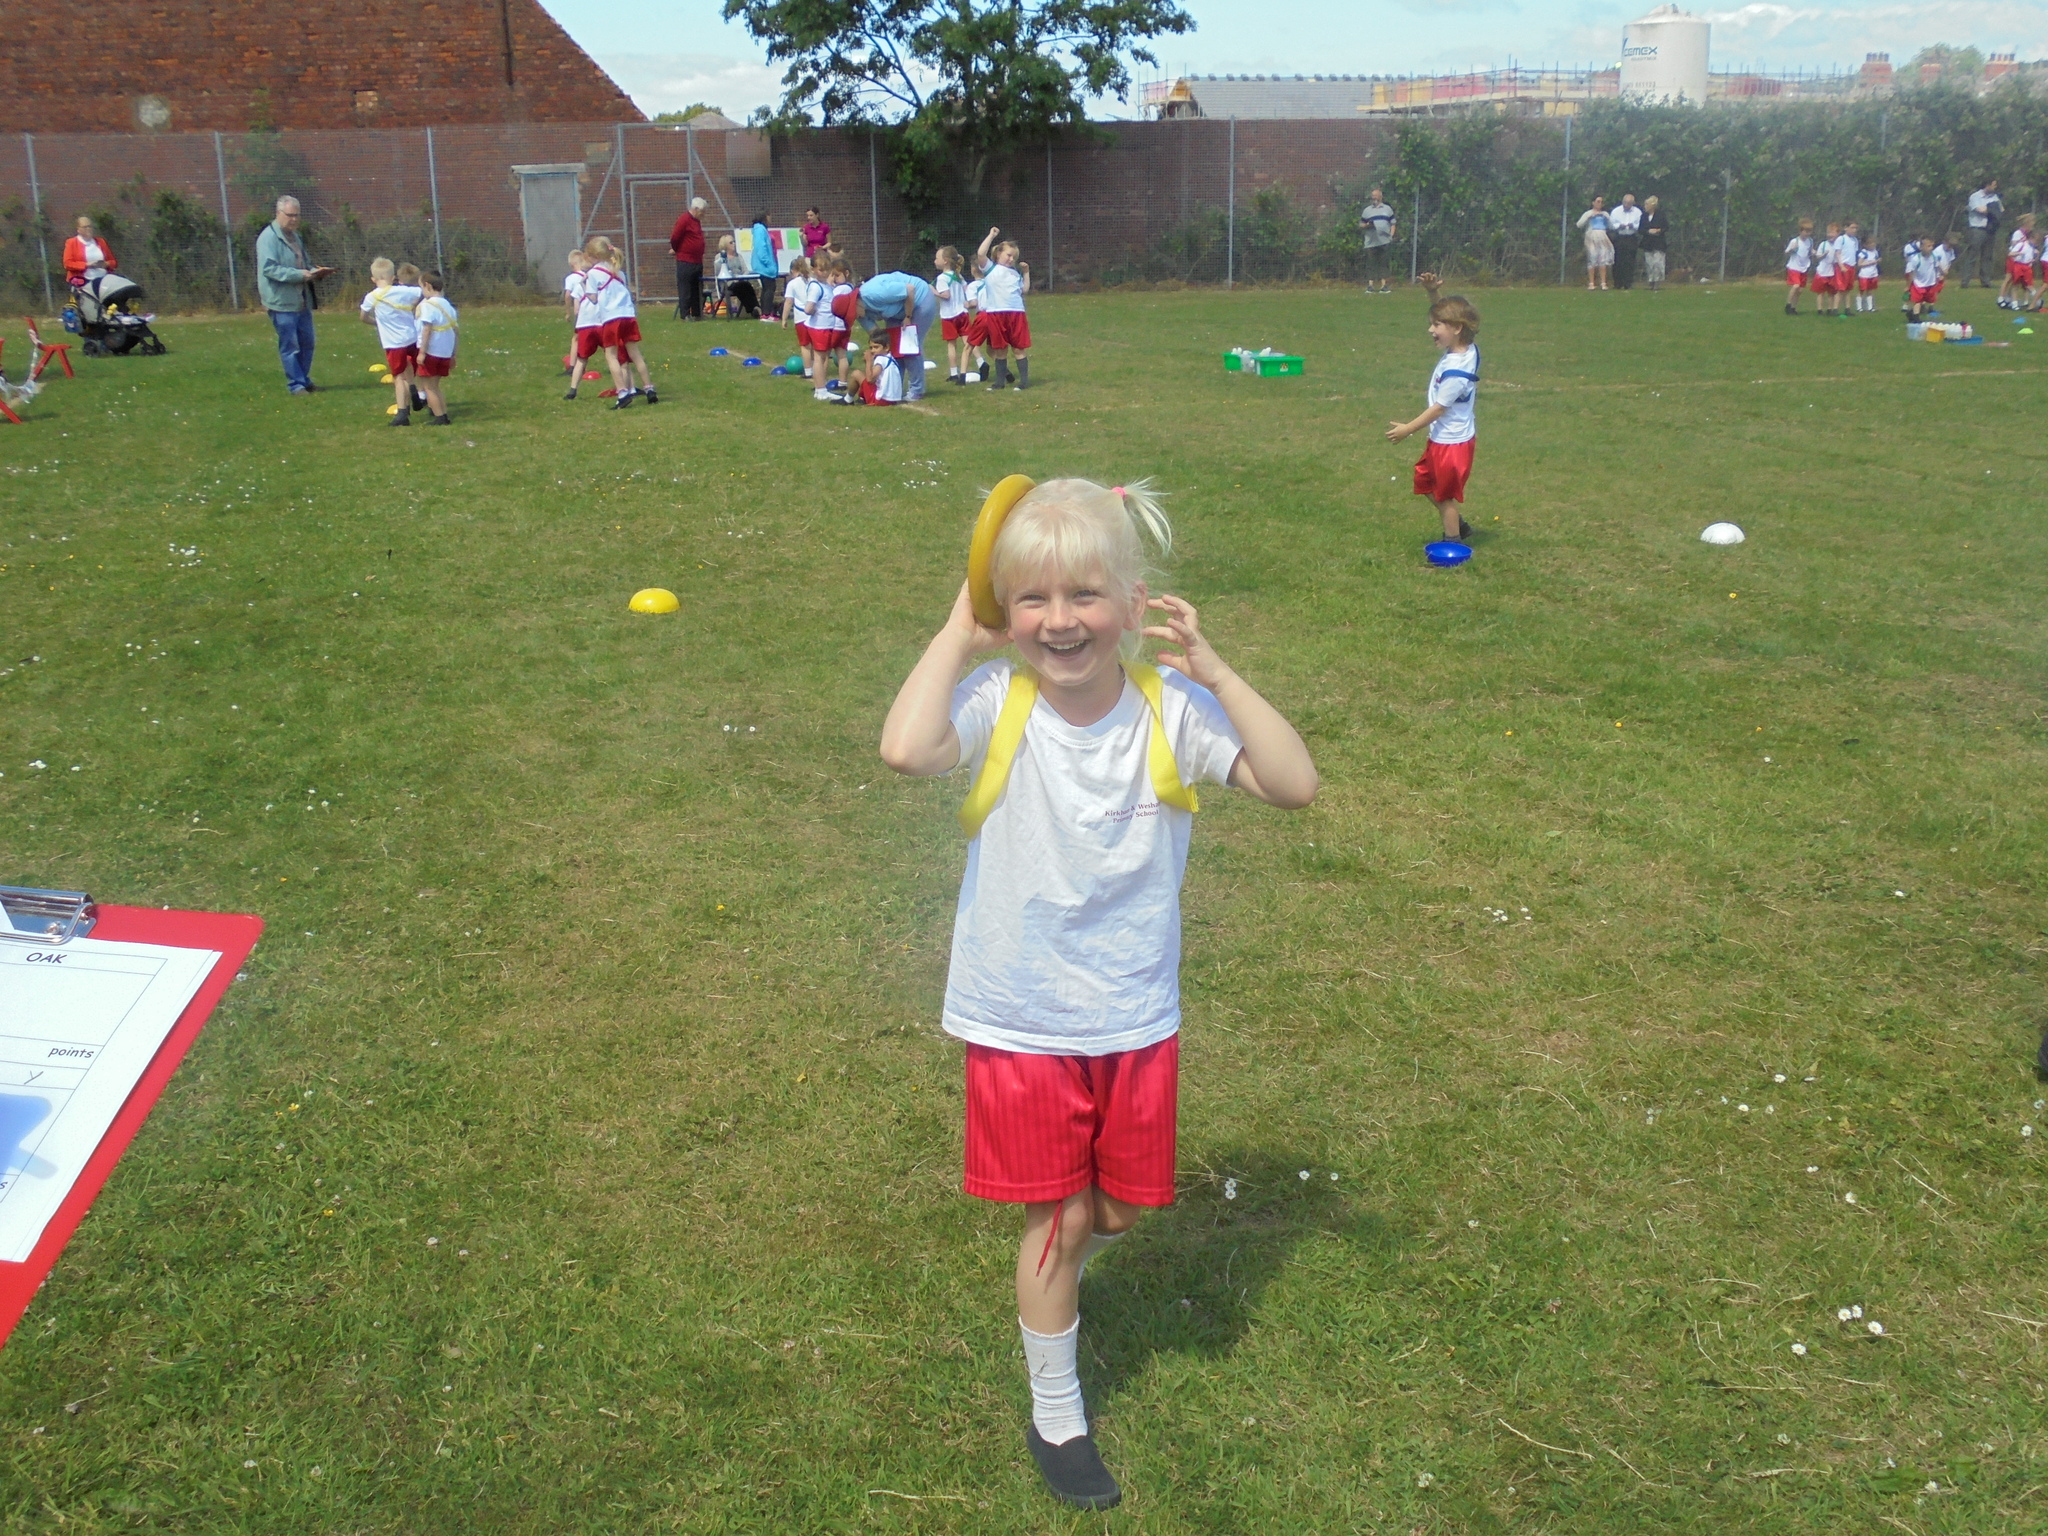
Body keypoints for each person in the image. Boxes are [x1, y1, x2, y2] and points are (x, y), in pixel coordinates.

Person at [876, 479, 1317, 1511]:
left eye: (1082, 596)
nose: (1058, 621)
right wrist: (957, 633)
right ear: (1000, 609)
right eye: (1028, 600)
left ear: (1129, 600)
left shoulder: (1172, 710)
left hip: (1131, 1014)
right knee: (1055, 1223)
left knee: (1114, 1209)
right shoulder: (997, 703)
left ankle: (1070, 1271)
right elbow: (904, 749)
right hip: (1020, 1014)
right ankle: (1057, 1406)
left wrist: (1214, 670)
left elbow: (1293, 783)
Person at [1386, 274, 1480, 544]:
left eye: (1436, 325)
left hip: (1452, 444)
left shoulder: (1456, 373)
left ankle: (1452, 543)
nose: (1431, 330)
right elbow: (1451, 318)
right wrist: (1432, 294)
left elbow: (1438, 409)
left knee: (1444, 496)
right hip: (1441, 439)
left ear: (1457, 329)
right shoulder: (1465, 347)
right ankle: (1458, 525)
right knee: (1425, 482)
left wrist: (1407, 429)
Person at [255, 195, 335, 395]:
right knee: (290, 345)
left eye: (297, 215)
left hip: (302, 300)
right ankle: (296, 385)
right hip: (281, 301)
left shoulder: (296, 236)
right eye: (289, 215)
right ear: (278, 214)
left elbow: (303, 263)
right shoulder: (268, 238)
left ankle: (304, 380)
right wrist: (299, 275)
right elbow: (269, 269)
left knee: (307, 342)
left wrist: (315, 271)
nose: (294, 219)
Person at [583, 237, 657, 408]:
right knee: (635, 354)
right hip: (628, 316)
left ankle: (622, 392)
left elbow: (593, 298)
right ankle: (649, 388)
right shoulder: (619, 272)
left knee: (611, 355)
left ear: (594, 256)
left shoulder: (593, 274)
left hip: (611, 318)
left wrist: (585, 289)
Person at [857, 268, 940, 401]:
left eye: (852, 313)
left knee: (910, 347)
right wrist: (875, 354)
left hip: (920, 300)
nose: (855, 317)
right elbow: (879, 338)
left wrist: (908, 316)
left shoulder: (872, 293)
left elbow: (909, 289)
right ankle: (895, 388)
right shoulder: (861, 315)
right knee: (894, 348)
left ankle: (917, 390)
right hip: (896, 313)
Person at [358, 256, 423, 426]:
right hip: (412, 338)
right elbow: (422, 293)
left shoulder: (372, 296)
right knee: (409, 367)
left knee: (398, 376)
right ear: (393, 277)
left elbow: (363, 316)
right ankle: (414, 390)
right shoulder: (403, 291)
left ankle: (402, 413)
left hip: (394, 344)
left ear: (373, 279)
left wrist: (375, 322)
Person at [974, 226, 1031, 389]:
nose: (1011, 259)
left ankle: (1024, 382)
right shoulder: (990, 269)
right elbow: (980, 254)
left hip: (1016, 313)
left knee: (1019, 348)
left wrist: (1026, 273)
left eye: (1014, 257)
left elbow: (1024, 290)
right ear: (999, 254)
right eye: (1008, 255)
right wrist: (991, 235)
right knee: (1000, 349)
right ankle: (1000, 382)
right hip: (996, 313)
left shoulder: (1015, 274)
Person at [412, 271, 458, 425]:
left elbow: (426, 329)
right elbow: (455, 332)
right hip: (445, 352)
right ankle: (443, 413)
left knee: (429, 387)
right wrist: (453, 355)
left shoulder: (427, 306)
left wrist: (422, 352)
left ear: (428, 286)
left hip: (431, 352)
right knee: (436, 386)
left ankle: (440, 418)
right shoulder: (448, 306)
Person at [562, 250, 602, 398]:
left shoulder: (579, 284)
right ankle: (624, 388)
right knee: (612, 355)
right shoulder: (599, 281)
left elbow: (575, 303)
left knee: (582, 358)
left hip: (585, 323)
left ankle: (573, 390)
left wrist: (573, 315)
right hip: (600, 321)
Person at [780, 255, 820, 382]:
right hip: (814, 316)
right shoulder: (814, 281)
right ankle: (816, 368)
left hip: (801, 318)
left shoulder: (792, 284)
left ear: (794, 270)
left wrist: (784, 319)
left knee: (805, 345)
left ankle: (808, 371)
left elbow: (788, 302)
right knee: (814, 345)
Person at [935, 246, 970, 384]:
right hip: (962, 312)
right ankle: (979, 363)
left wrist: (934, 292)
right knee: (968, 343)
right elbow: (966, 288)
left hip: (949, 315)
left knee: (951, 344)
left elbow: (946, 295)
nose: (934, 261)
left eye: (937, 258)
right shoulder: (958, 275)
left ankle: (954, 373)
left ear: (944, 261)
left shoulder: (942, 278)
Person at [669, 196, 707, 320]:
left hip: (697, 260)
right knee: (685, 288)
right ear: (695, 209)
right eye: (702, 211)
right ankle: (685, 314)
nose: (703, 214)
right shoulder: (684, 219)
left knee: (697, 289)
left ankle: (697, 313)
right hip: (685, 260)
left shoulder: (697, 221)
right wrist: (677, 249)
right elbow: (675, 237)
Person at [1963, 178, 2002, 287]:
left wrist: (1991, 210)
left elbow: (2000, 210)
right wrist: (1991, 209)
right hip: (1977, 229)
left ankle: (1986, 281)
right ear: (1987, 185)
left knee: (1987, 256)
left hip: (1990, 229)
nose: (1995, 187)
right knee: (1972, 255)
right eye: (1993, 185)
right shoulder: (1975, 196)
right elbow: (1981, 210)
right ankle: (1965, 281)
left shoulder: (1995, 197)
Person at [1358, 187, 1396, 294]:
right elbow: (1361, 224)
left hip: (1384, 241)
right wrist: (1367, 225)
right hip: (1370, 242)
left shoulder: (1387, 209)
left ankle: (1384, 286)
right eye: (1372, 196)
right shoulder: (1367, 210)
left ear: (1380, 196)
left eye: (1376, 195)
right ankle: (1370, 286)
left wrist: (1391, 236)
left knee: (1384, 264)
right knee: (1371, 264)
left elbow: (1393, 223)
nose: (1373, 197)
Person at [62, 216, 116, 287]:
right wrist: (87, 265)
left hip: (104, 279)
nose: (88, 229)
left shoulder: (101, 241)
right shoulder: (71, 242)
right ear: (78, 229)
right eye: (85, 227)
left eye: (90, 226)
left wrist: (106, 264)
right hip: (83, 281)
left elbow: (113, 262)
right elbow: (68, 264)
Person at [716, 234, 759, 319]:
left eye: (734, 242)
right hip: (728, 284)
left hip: (740, 281)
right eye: (731, 242)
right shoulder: (719, 257)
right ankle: (754, 309)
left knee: (746, 285)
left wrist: (742, 276)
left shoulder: (739, 256)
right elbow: (719, 273)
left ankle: (755, 309)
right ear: (725, 245)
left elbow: (745, 270)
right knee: (743, 286)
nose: (734, 244)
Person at [1575, 197, 1613, 290]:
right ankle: (1591, 283)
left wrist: (1607, 219)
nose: (1600, 204)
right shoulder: (1588, 213)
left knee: (1603, 259)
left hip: (1602, 237)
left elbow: (1611, 226)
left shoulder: (1605, 214)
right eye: (1598, 202)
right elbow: (1579, 224)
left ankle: (1603, 283)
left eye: (1601, 202)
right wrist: (1589, 216)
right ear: (1593, 202)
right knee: (1592, 258)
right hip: (1591, 237)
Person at [748, 213, 781, 319]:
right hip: (765, 266)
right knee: (769, 288)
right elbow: (761, 248)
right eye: (769, 216)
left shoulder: (760, 229)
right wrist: (768, 262)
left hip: (766, 265)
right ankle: (766, 313)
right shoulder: (760, 230)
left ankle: (765, 312)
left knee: (767, 288)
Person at [1610, 193, 1643, 289]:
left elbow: (1640, 224)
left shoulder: (1637, 212)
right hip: (1619, 237)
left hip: (1631, 237)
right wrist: (1619, 226)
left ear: (1633, 203)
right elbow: (1611, 225)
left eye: (1629, 203)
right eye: (1625, 203)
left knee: (1630, 261)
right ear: (1623, 202)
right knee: (1618, 260)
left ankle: (1628, 283)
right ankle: (1618, 283)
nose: (1627, 205)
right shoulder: (1616, 211)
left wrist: (1633, 226)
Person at [1904, 237, 1941, 322]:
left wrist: (1937, 278)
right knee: (1918, 301)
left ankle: (1911, 313)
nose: (1931, 248)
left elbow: (1936, 268)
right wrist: (1908, 285)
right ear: (1921, 248)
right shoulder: (1916, 259)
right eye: (1928, 246)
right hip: (1918, 283)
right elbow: (1911, 272)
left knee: (1926, 300)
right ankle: (1916, 318)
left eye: (1932, 246)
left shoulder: (1933, 257)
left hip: (1930, 283)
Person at [1783, 219, 1814, 315]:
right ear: (1801, 231)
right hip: (1794, 267)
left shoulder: (1810, 241)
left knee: (1800, 290)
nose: (1807, 234)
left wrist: (1817, 253)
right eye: (1806, 231)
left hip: (1803, 268)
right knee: (1796, 285)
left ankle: (1793, 308)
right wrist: (1793, 249)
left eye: (1809, 231)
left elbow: (1810, 251)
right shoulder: (1795, 241)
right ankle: (1788, 304)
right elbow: (1786, 252)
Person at [1639, 197, 1669, 291]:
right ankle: (1651, 282)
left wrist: (1659, 230)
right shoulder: (1643, 216)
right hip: (1648, 243)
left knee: (1658, 263)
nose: (1645, 206)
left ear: (1652, 205)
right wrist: (1648, 231)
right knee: (1649, 263)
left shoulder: (1661, 215)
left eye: (1647, 204)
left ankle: (1657, 282)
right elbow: (1640, 229)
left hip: (1659, 243)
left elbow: (1666, 227)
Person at [1811, 223, 1841, 316]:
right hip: (1822, 272)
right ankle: (1820, 309)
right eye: (1829, 232)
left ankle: (1830, 309)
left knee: (1831, 292)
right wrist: (1823, 255)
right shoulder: (1823, 244)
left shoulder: (1838, 245)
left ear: (1838, 234)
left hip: (1832, 272)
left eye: (1833, 232)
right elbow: (1818, 257)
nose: (1830, 235)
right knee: (1820, 292)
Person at [1854, 239, 1880, 314]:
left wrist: (1877, 261)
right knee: (1861, 290)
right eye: (1871, 243)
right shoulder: (1864, 253)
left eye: (1873, 243)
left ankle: (1870, 307)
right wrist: (1871, 262)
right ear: (1866, 245)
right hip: (1864, 275)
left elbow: (1876, 260)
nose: (1873, 245)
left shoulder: (1875, 252)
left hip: (1873, 274)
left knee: (1870, 290)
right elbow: (1859, 264)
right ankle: (1859, 307)